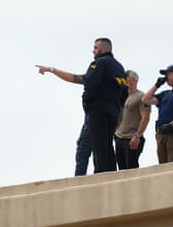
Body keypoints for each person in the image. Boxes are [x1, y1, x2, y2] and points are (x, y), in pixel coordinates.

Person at [35, 37, 127, 174]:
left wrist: (86, 100)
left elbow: (86, 82)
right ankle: (111, 174)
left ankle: (101, 176)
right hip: (113, 112)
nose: (93, 50)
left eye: (96, 47)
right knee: (108, 145)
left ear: (105, 48)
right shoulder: (119, 67)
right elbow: (124, 92)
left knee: (99, 147)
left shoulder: (99, 63)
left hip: (99, 112)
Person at [34, 64, 93, 176]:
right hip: (89, 123)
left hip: (95, 123)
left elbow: (73, 78)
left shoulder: (99, 83)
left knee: (91, 153)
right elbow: (72, 78)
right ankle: (79, 180)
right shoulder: (92, 84)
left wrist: (51, 70)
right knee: (82, 153)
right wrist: (51, 70)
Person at [114, 70, 151, 170]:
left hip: (132, 138)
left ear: (133, 80)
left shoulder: (142, 96)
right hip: (119, 137)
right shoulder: (121, 96)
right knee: (121, 170)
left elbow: (146, 117)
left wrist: (138, 135)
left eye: (126, 77)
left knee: (131, 169)